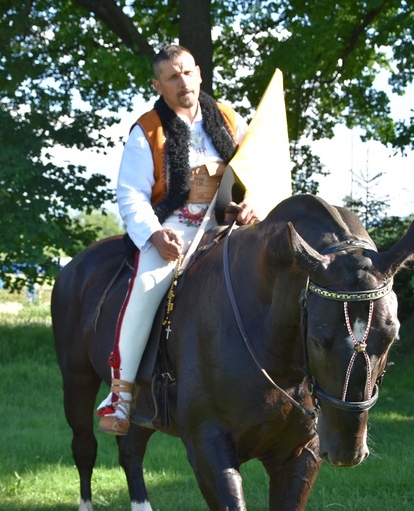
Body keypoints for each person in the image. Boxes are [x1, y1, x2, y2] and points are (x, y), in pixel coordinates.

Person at [96, 45, 259, 435]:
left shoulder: (230, 119)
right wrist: (154, 233)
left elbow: (257, 170)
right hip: (174, 229)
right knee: (146, 288)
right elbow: (131, 193)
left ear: (199, 73)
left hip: (229, 224)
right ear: (158, 84)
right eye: (172, 76)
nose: (182, 82)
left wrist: (254, 200)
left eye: (187, 72)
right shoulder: (147, 129)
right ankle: (120, 397)